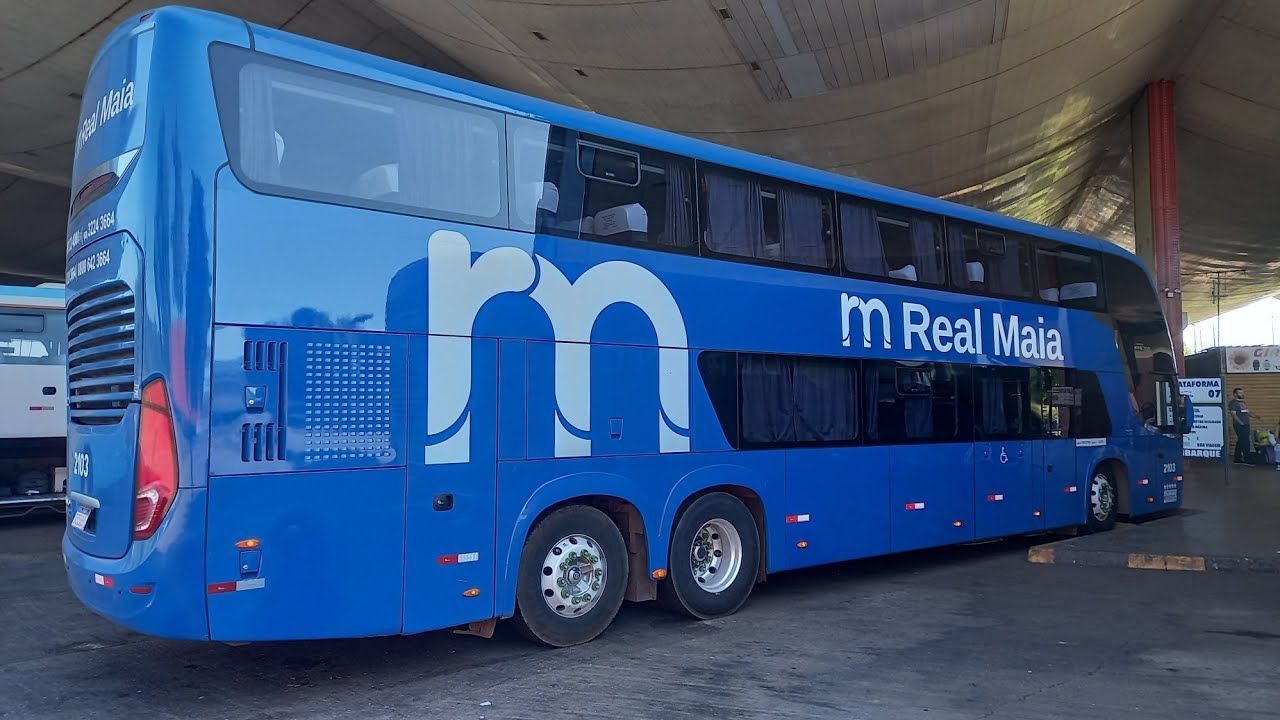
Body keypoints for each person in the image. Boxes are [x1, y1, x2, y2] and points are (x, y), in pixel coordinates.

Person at [1228, 387, 1250, 464]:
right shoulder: (1233, 403)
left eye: (1242, 392)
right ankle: (1247, 459)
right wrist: (1240, 423)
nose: (1242, 394)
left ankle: (1237, 458)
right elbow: (1233, 414)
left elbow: (1247, 412)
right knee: (1245, 441)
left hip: (1246, 424)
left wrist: (1256, 416)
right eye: (1240, 393)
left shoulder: (1242, 402)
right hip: (1239, 425)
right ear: (1235, 394)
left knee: (1241, 441)